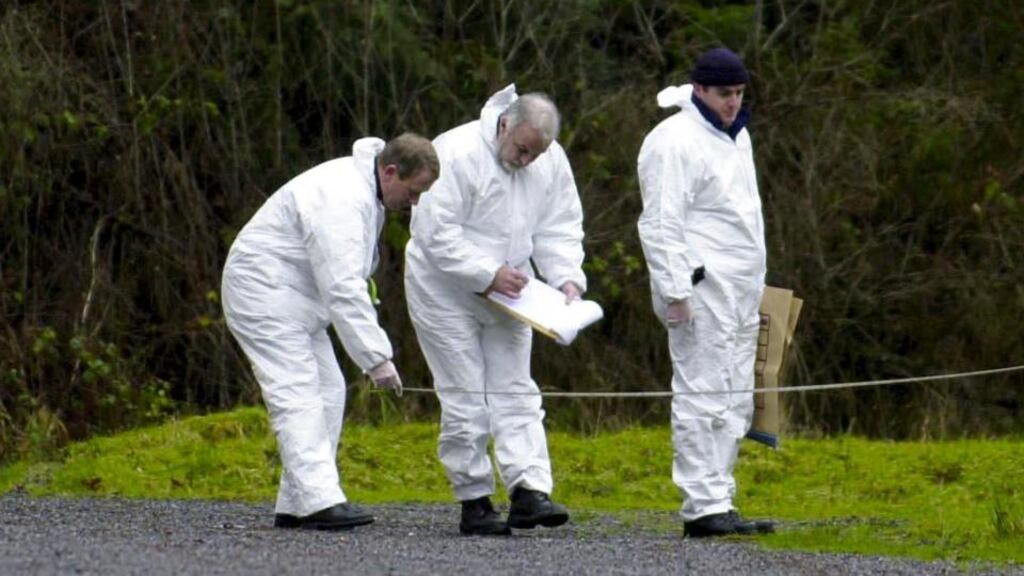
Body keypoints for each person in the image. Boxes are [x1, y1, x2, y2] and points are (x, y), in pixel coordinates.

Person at [222, 134, 439, 530]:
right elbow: (341, 286)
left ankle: (297, 502)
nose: (414, 204)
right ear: (390, 171)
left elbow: (347, 275)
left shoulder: (364, 193)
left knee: (329, 389)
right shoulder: (343, 196)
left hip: (294, 298)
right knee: (298, 392)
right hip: (263, 292)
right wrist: (377, 358)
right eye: (413, 192)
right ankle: (320, 501)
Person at [404, 85, 586, 536]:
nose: (525, 161)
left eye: (535, 154)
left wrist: (566, 277)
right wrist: (487, 273)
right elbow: (433, 232)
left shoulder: (550, 160)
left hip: (512, 290)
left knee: (516, 387)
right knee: (465, 392)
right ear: (505, 125)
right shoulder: (457, 152)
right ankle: (474, 498)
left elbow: (560, 223)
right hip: (443, 289)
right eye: (521, 149)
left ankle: (529, 491)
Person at [637, 47, 775, 538]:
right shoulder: (673, 141)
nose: (733, 103)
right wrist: (675, 290)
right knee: (702, 392)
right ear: (699, 89)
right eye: (723, 94)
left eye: (738, 93)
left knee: (735, 394)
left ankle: (721, 497)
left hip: (740, 289)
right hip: (701, 289)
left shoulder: (738, 138)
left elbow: (740, 218)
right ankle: (701, 504)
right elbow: (659, 222)